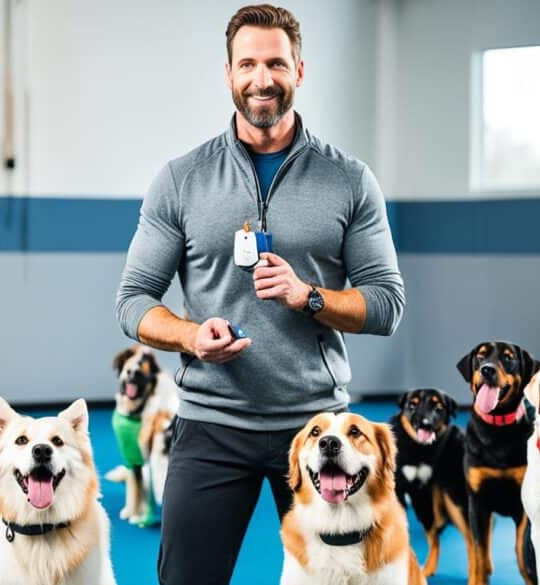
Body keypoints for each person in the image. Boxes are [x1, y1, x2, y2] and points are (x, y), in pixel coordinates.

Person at [114, 5, 405, 583]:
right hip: (211, 422)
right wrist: (192, 336)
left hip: (316, 429)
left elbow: (387, 303)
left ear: (300, 69)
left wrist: (310, 297)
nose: (262, 78)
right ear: (228, 73)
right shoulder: (181, 179)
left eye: (276, 62)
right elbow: (133, 301)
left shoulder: (350, 180)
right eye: (247, 63)